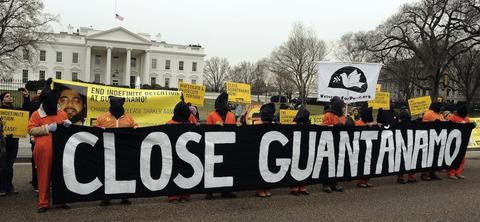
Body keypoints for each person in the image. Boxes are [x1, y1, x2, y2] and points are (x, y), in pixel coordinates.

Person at [28, 79, 71, 213]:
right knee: (43, 176)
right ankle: (43, 203)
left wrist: (68, 126)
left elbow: (68, 131)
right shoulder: (36, 114)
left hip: (60, 150)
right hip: (43, 150)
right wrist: (47, 128)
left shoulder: (62, 113)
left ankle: (60, 200)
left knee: (60, 175)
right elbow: (30, 130)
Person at [96, 96, 137, 206]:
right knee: (107, 173)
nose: (117, 109)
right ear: (110, 106)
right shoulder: (102, 118)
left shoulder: (129, 118)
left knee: (124, 172)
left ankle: (124, 196)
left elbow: (135, 126)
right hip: (108, 150)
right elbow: (95, 131)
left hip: (124, 151)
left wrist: (136, 128)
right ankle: (106, 197)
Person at [0, 88, 31, 196]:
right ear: (2, 100)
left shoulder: (16, 110)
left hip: (13, 141)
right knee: (2, 165)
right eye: (7, 96)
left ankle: (9, 186)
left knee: (10, 165)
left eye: (10, 96)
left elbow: (26, 111)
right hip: (2, 142)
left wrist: (26, 97)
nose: (10, 97)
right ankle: (2, 187)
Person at [205, 92, 236, 199]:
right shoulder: (211, 116)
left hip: (227, 147)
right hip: (214, 147)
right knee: (212, 169)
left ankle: (226, 191)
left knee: (226, 168)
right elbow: (206, 132)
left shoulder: (231, 115)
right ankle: (210, 191)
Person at [167, 101, 195, 203]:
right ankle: (173, 196)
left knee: (186, 172)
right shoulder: (169, 124)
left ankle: (185, 195)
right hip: (174, 154)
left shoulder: (189, 122)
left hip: (186, 154)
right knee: (175, 173)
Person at [321, 96, 346, 193]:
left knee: (337, 163)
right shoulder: (328, 115)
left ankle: (335, 183)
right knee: (327, 163)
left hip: (340, 143)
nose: (344, 108)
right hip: (329, 143)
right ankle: (326, 184)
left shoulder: (343, 116)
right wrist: (334, 126)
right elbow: (323, 127)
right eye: (342, 106)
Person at [255, 103, 276, 198]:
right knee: (260, 169)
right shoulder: (258, 123)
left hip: (270, 151)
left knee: (269, 168)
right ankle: (259, 189)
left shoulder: (274, 124)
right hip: (260, 151)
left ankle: (267, 188)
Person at [289, 107, 311, 196]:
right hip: (295, 149)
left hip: (305, 148)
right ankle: (294, 188)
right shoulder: (294, 123)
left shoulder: (308, 123)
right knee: (295, 167)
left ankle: (302, 187)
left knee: (305, 166)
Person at [355, 107, 378, 188]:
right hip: (362, 148)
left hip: (370, 147)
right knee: (362, 164)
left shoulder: (372, 122)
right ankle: (361, 181)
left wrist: (374, 124)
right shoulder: (358, 123)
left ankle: (366, 180)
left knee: (369, 164)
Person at [421, 102, 444, 181]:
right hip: (429, 138)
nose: (441, 109)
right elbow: (425, 125)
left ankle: (432, 173)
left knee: (435, 156)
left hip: (437, 138)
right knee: (427, 156)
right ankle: (424, 174)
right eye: (440, 107)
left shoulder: (440, 115)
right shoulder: (429, 114)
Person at [447, 102, 470, 180]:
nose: (455, 111)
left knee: (462, 158)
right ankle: (451, 173)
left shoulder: (467, 119)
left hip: (462, 142)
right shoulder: (452, 117)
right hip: (453, 141)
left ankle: (458, 172)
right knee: (453, 157)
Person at [396, 107, 417, 184]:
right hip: (409, 145)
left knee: (402, 161)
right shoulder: (412, 124)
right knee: (410, 160)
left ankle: (401, 177)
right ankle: (410, 177)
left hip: (403, 146)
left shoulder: (398, 125)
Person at [29, 89, 42, 192]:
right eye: (39, 93)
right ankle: (36, 182)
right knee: (36, 161)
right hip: (36, 138)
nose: (40, 95)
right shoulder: (34, 105)